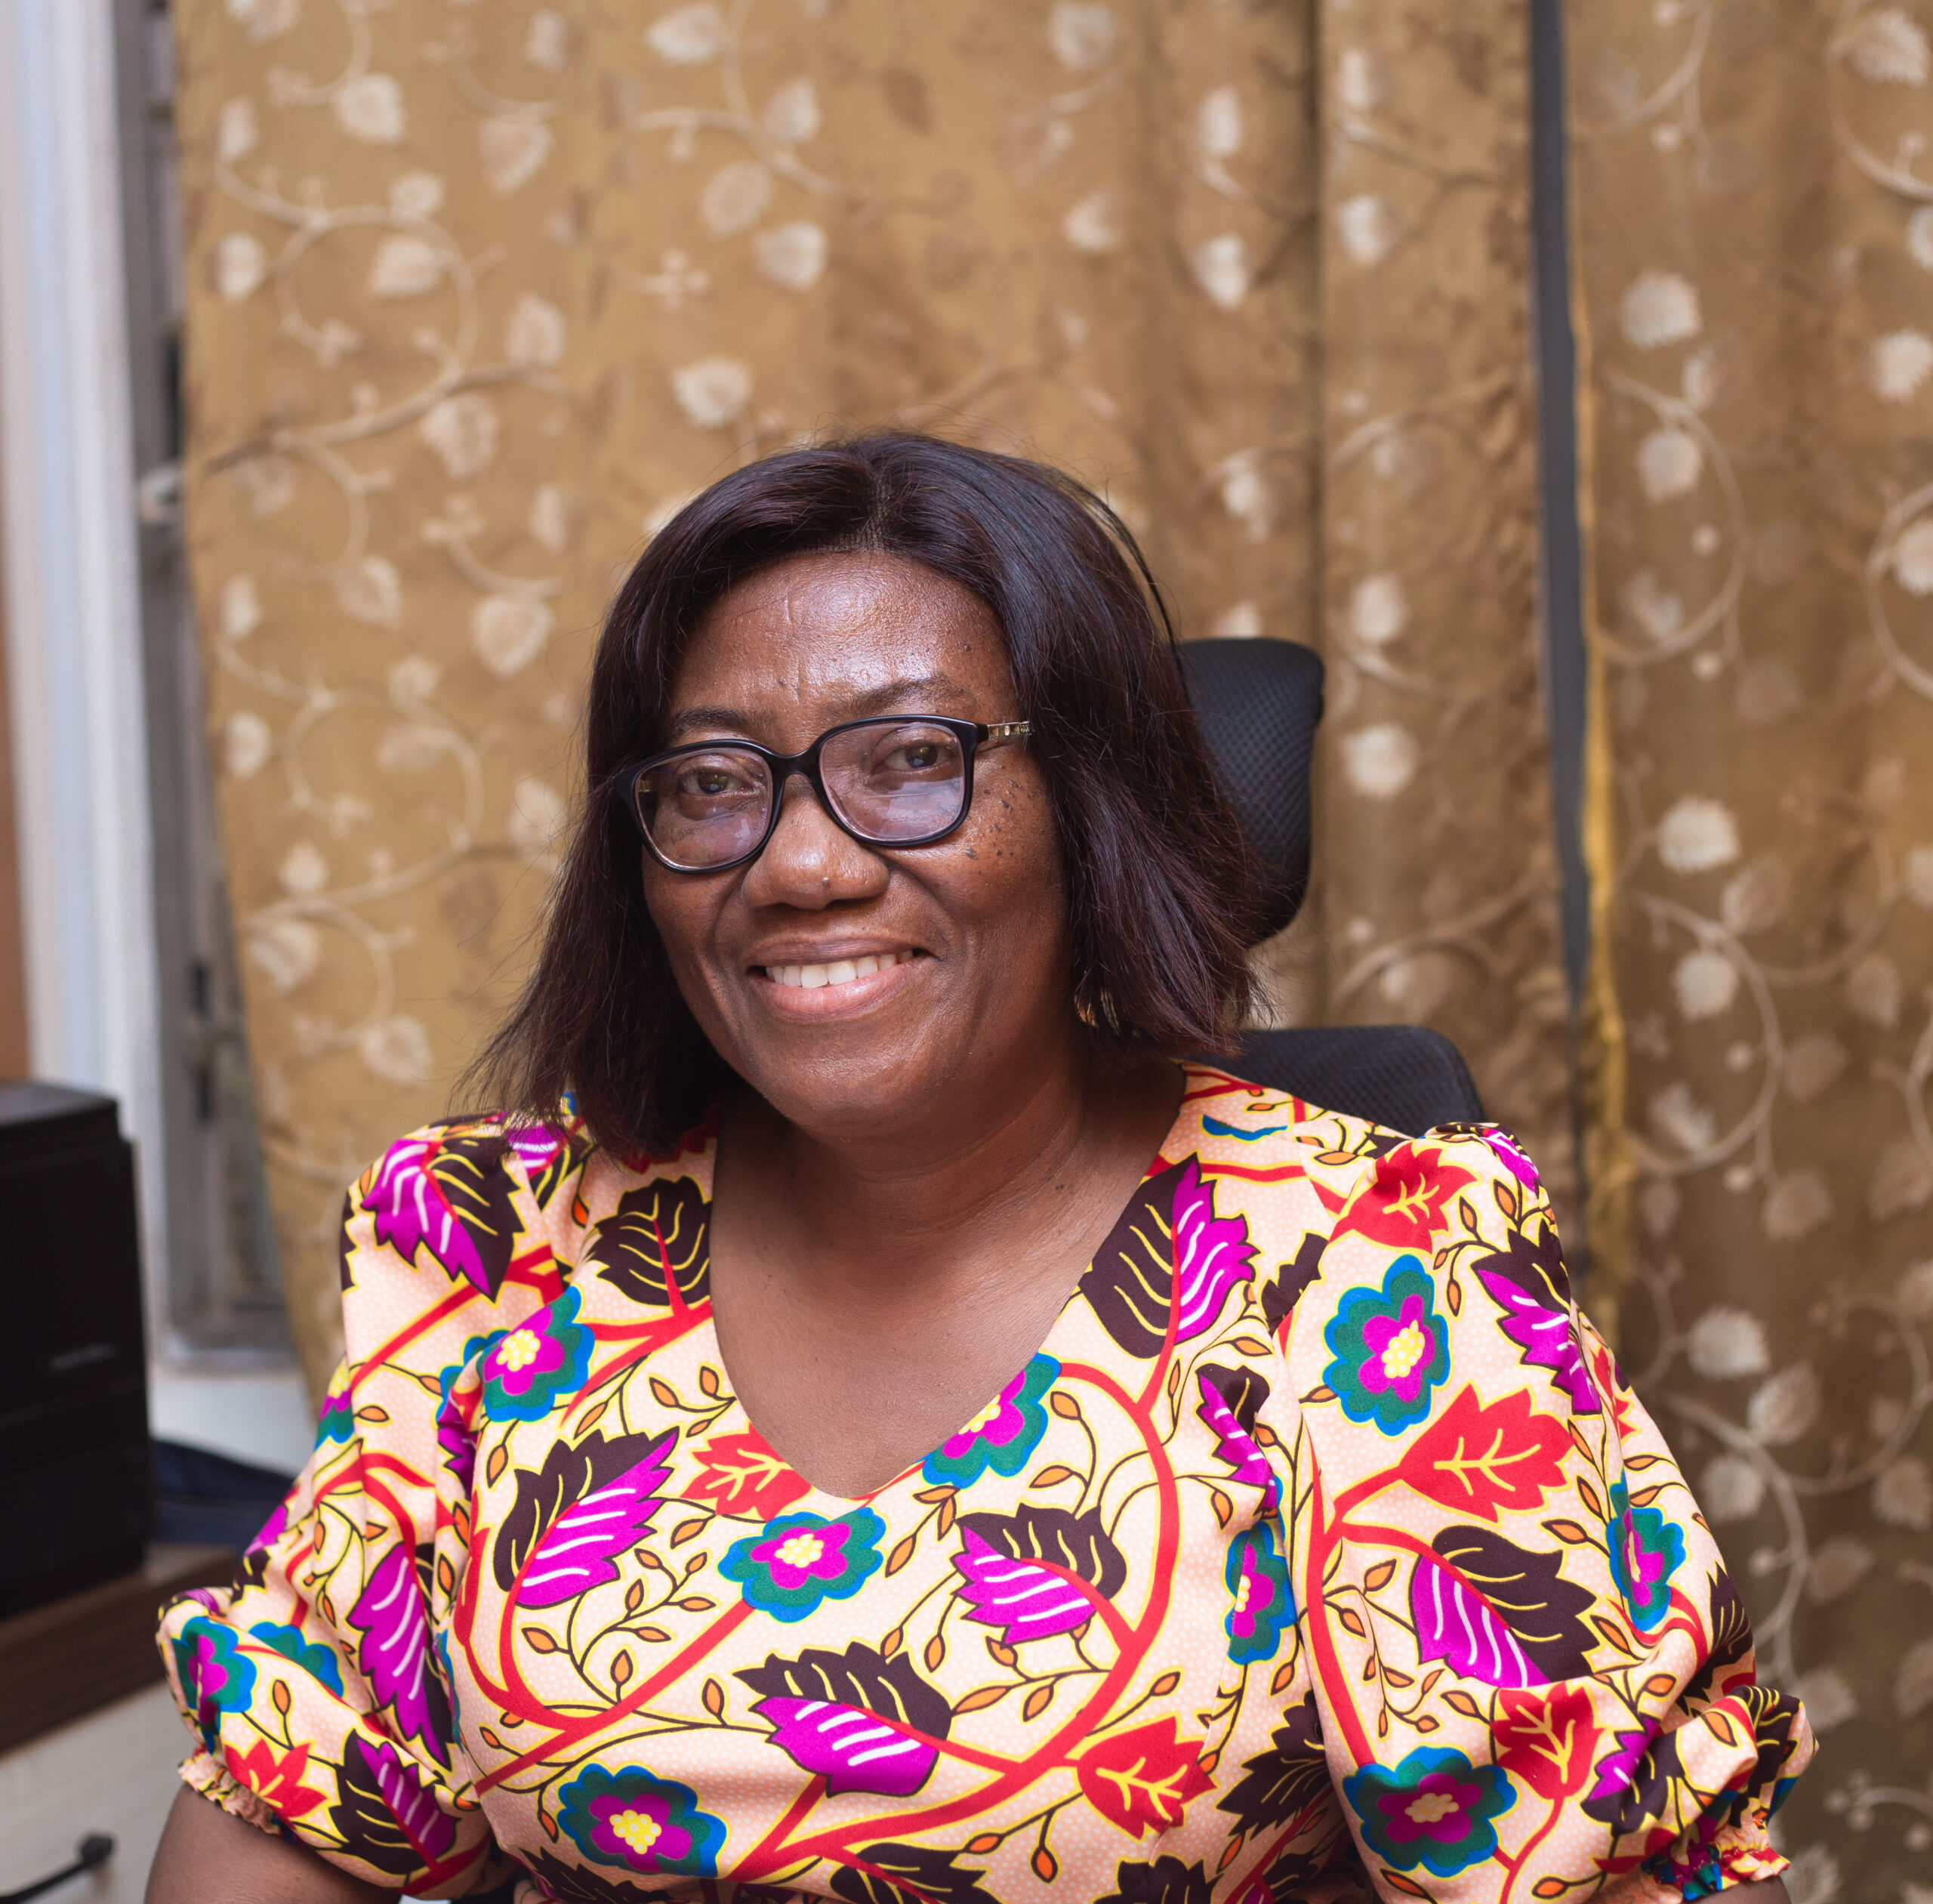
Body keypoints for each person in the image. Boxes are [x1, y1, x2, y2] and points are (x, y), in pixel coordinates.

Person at [150, 435, 1809, 1904]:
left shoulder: (1376, 1275)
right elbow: (288, 1814)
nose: (800, 862)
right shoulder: (504, 1253)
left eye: (909, 759)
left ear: (1089, 806)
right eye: (714, 783)